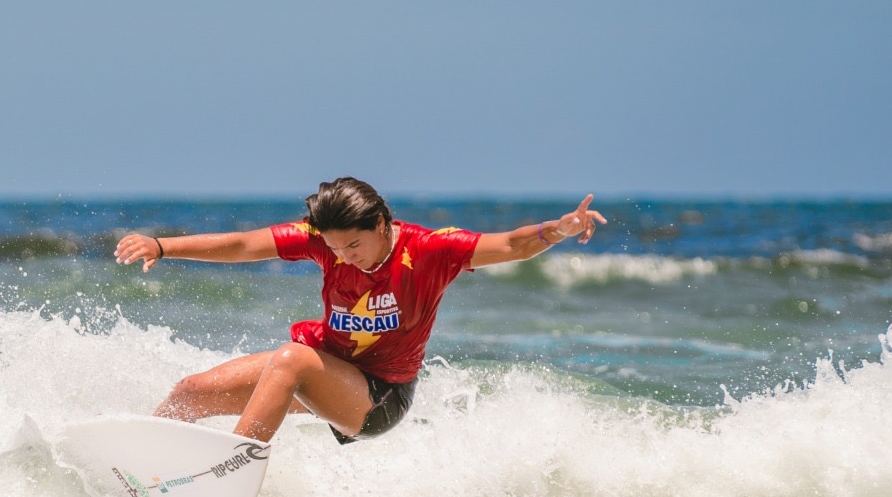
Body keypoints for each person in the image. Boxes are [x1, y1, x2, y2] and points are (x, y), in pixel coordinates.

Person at [114, 178, 606, 445]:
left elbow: (511, 245)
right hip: (330, 373)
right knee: (191, 392)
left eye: (353, 244)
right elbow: (244, 244)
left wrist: (558, 230)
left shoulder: (431, 249)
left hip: (379, 399)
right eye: (333, 246)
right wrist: (162, 246)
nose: (344, 255)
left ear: (382, 223)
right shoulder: (324, 242)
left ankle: (226, 474)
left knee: (292, 358)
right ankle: (147, 465)